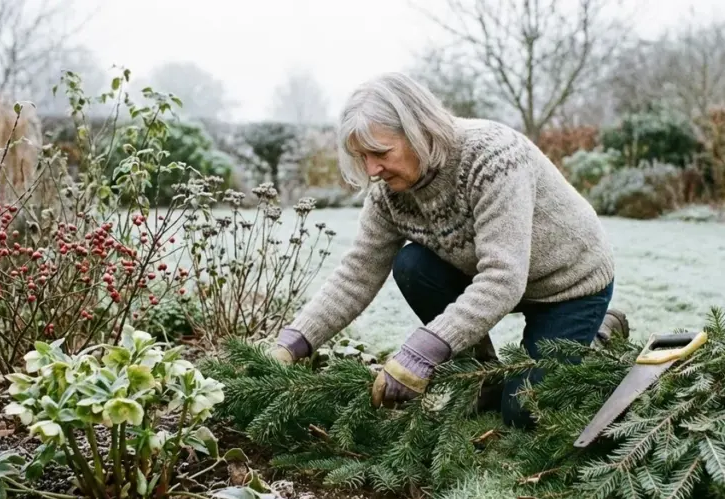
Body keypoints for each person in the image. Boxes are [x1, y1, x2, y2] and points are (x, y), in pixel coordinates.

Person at [269, 72, 628, 429]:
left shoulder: (493, 157)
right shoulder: (389, 193)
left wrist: (423, 351)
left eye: (379, 153)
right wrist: (293, 342)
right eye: (361, 157)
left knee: (524, 414)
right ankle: (481, 376)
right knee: (412, 264)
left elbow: (503, 279)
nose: (372, 169)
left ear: (418, 130)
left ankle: (598, 336)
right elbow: (358, 271)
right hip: (495, 279)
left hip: (568, 286)